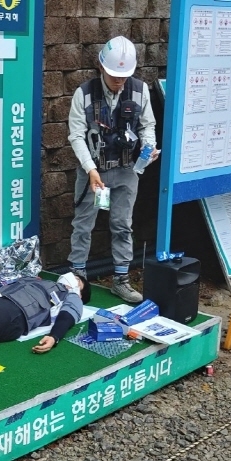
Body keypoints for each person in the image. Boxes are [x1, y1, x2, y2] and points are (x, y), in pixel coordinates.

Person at [67, 36, 158, 304]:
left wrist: (149, 147)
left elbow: (147, 125)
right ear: (101, 67)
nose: (119, 81)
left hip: (128, 169)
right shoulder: (83, 94)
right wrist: (90, 169)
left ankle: (121, 279)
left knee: (122, 225)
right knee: (83, 224)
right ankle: (76, 279)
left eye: (124, 75)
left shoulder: (140, 90)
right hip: (94, 171)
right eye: (114, 75)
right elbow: (76, 136)